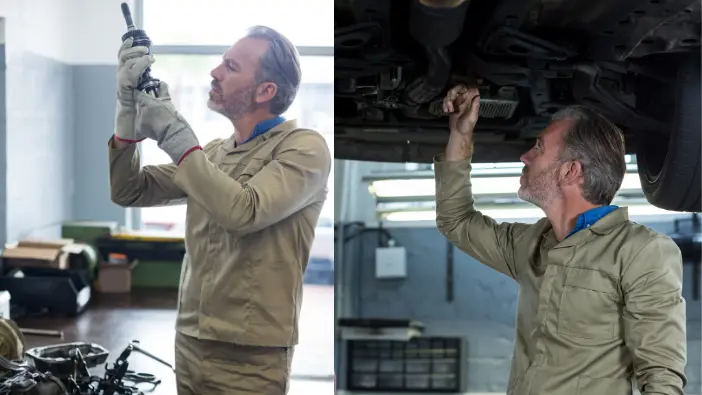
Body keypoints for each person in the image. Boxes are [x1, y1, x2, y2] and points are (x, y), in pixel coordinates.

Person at [108, 25, 332, 395]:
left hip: (250, 358)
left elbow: (243, 212)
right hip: (191, 341)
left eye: (231, 66)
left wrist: (174, 136)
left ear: (266, 91)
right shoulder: (213, 153)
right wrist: (126, 114)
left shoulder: (304, 148)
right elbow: (130, 189)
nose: (215, 72)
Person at [435, 84, 687, 395]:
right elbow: (456, 221)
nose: (525, 156)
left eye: (539, 148)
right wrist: (460, 134)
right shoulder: (532, 244)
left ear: (570, 171)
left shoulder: (641, 251)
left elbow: (661, 375)